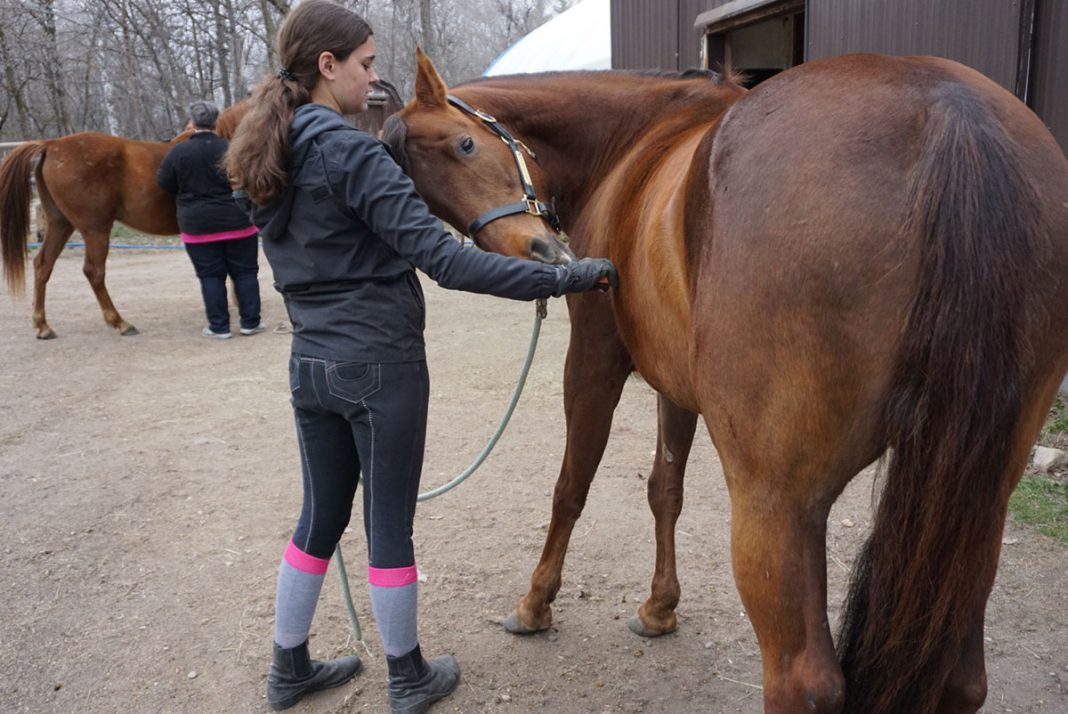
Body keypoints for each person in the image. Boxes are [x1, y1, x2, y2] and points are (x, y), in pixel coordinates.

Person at [223, 1, 618, 712]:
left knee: (319, 518)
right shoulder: (349, 150)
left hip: (310, 364)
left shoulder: (269, 149)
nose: (374, 80)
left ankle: (289, 667)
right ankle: (407, 677)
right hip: (378, 364)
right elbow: (446, 261)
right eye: (367, 64)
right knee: (388, 526)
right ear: (327, 66)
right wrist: (566, 276)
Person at [157, 100, 264, 339]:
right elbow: (247, 180)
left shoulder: (178, 152)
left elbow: (164, 183)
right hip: (238, 223)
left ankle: (219, 326)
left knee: (210, 276)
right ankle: (250, 322)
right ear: (216, 122)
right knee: (246, 273)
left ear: (192, 123)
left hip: (198, 226)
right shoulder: (231, 148)